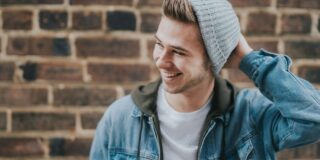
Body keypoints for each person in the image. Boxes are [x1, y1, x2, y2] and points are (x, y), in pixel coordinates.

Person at [90, 0, 320, 159]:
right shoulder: (120, 118)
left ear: (213, 60)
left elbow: (314, 119)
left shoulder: (251, 115)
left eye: (178, 52)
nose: (161, 60)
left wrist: (246, 58)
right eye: (160, 44)